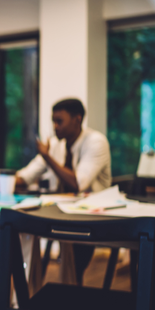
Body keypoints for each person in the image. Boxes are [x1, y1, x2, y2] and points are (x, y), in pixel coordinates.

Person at [16, 98, 112, 284]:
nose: (55, 126)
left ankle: (70, 294)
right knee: (24, 226)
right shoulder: (55, 144)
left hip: (93, 216)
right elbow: (27, 175)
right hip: (61, 212)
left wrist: (47, 156)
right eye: (53, 121)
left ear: (77, 119)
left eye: (59, 121)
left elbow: (78, 183)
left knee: (75, 258)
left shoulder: (96, 142)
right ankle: (28, 293)